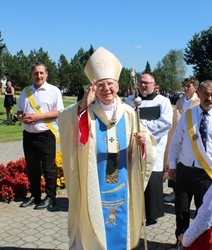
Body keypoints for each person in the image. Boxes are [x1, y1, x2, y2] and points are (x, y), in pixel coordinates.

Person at [58, 47, 156, 250]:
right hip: (93, 184)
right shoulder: (85, 112)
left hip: (123, 185)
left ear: (118, 86)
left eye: (110, 84)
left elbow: (148, 145)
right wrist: (83, 104)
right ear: (93, 87)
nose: (106, 89)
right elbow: (65, 120)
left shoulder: (129, 113)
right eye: (100, 85)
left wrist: (143, 142)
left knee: (121, 229)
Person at [168, 80, 212, 245]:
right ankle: (180, 242)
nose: (209, 98)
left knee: (203, 212)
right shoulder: (187, 115)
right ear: (199, 94)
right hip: (185, 171)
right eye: (206, 94)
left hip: (208, 173)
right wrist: (173, 166)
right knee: (181, 210)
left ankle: (198, 243)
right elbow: (176, 143)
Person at [126, 72, 173, 225]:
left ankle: (152, 214)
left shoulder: (163, 101)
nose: (143, 85)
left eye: (147, 83)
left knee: (152, 180)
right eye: (141, 82)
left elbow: (166, 123)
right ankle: (136, 211)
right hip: (134, 145)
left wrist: (142, 127)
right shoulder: (129, 101)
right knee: (136, 178)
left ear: (154, 84)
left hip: (154, 147)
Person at [17, 62, 64, 210]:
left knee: (49, 168)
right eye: (36, 73)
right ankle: (35, 195)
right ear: (31, 75)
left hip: (46, 135)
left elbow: (59, 112)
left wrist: (38, 117)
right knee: (32, 168)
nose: (39, 76)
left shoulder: (53, 90)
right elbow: (18, 111)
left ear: (46, 74)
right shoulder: (26, 91)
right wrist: (22, 117)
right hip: (28, 135)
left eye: (41, 73)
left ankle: (51, 197)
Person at [163, 77, 200, 203]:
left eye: (188, 86)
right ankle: (174, 190)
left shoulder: (198, 102)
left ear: (195, 88)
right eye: (184, 85)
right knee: (173, 160)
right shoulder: (180, 101)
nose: (185, 88)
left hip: (191, 137)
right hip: (177, 133)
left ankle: (193, 192)